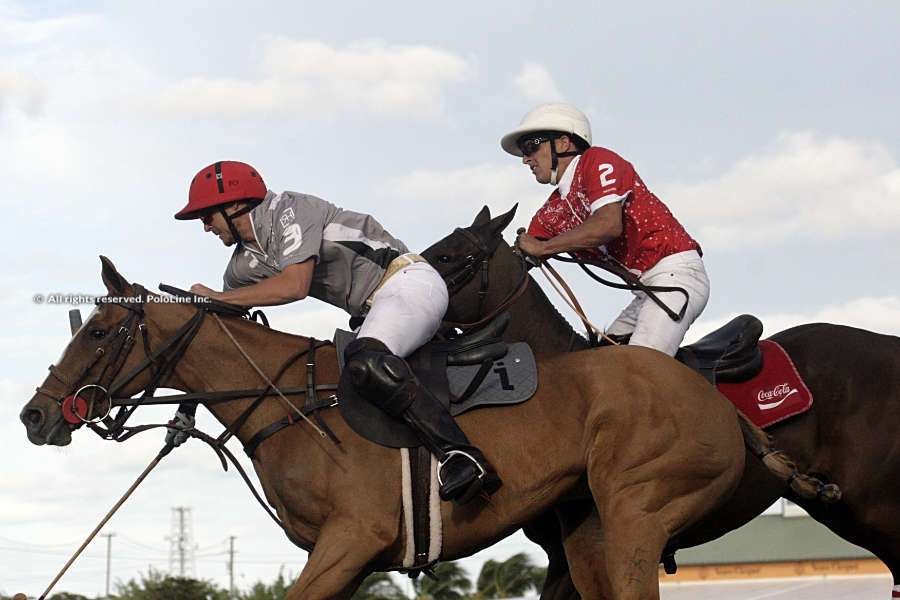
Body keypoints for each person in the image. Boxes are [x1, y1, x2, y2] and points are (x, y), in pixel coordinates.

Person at [170, 160, 499, 504]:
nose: (205, 228)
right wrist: (188, 406)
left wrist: (219, 297)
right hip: (373, 311)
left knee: (365, 361)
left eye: (207, 216)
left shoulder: (289, 209)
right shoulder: (241, 266)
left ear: (235, 204)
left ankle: (461, 455)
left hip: (409, 282)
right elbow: (224, 334)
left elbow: (295, 286)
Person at [502, 103, 709, 356]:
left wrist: (543, 247)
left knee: (636, 371)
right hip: (645, 291)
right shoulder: (551, 211)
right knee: (603, 362)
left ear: (564, 143)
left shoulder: (597, 160)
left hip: (677, 275)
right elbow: (518, 260)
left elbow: (607, 225)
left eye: (531, 146)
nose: (525, 159)